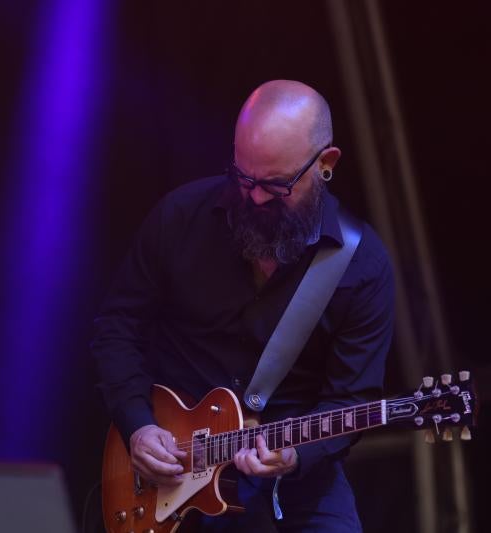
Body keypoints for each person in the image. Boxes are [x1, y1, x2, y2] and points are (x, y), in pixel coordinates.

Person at [91, 79, 394, 532]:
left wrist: (296, 455)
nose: (253, 197)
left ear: (326, 163)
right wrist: (137, 425)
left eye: (274, 185)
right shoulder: (181, 217)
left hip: (292, 482)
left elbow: (352, 398)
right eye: (244, 177)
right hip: (165, 472)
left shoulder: (362, 267)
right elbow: (117, 327)